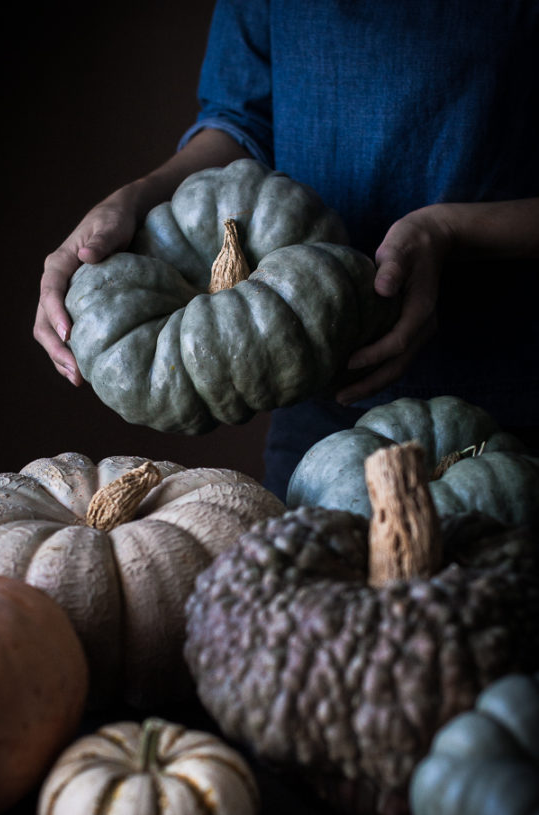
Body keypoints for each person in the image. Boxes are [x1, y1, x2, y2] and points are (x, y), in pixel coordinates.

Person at [34, 0, 539, 500]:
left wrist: (452, 231)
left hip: (513, 384)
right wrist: (132, 197)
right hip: (319, 404)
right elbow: (241, 122)